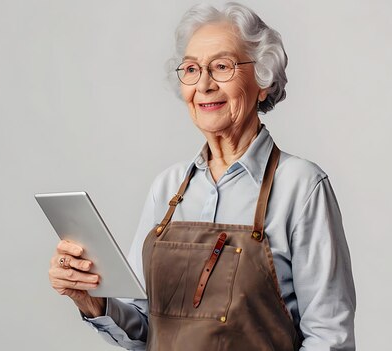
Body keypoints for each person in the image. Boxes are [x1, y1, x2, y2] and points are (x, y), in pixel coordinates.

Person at [48, 2, 356, 350]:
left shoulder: (301, 187)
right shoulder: (166, 187)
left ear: (263, 81)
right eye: (192, 69)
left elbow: (330, 338)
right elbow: (148, 327)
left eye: (222, 66)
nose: (204, 85)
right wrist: (91, 300)